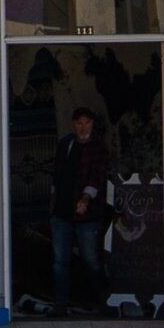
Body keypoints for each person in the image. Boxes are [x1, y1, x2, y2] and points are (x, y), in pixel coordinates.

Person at [48, 109, 114, 312]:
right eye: (79, 123)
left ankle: (104, 300)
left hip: (88, 213)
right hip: (62, 210)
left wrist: (85, 199)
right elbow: (56, 173)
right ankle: (60, 303)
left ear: (92, 124)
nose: (83, 126)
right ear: (74, 124)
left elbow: (97, 176)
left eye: (86, 122)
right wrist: (52, 201)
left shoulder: (98, 148)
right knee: (60, 260)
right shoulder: (66, 144)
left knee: (91, 259)